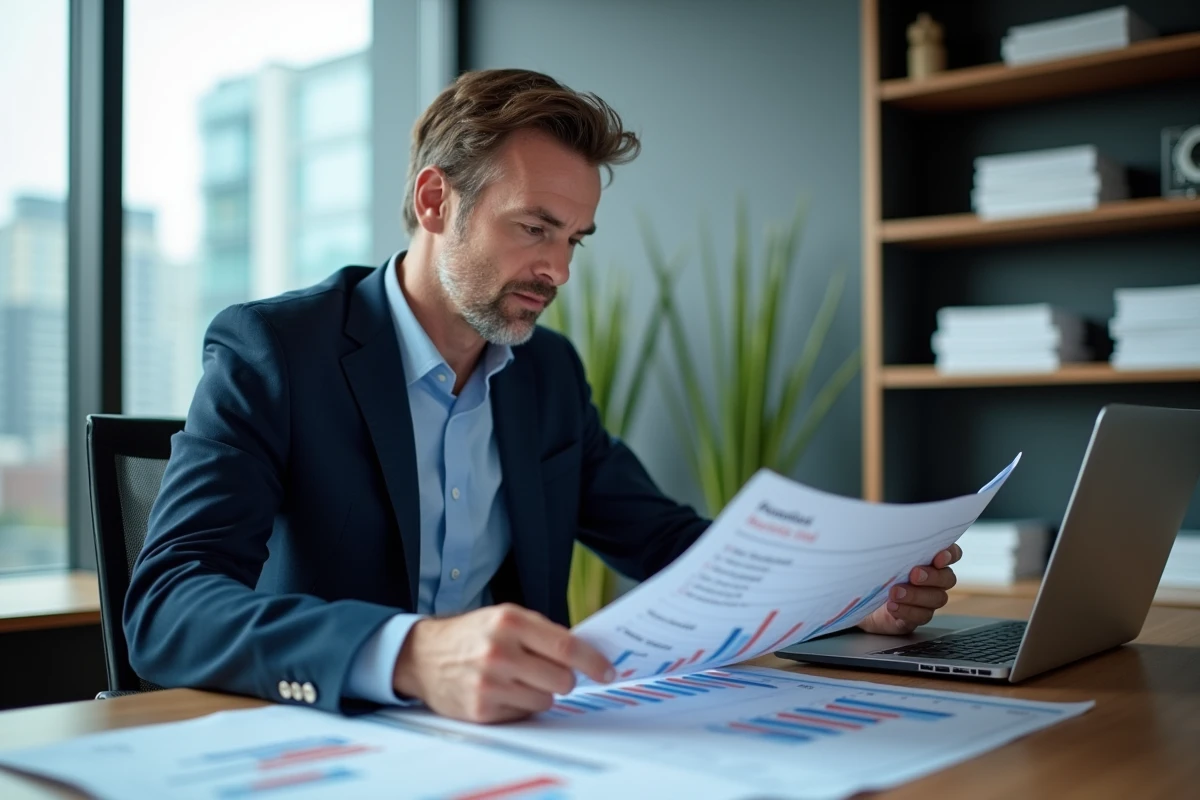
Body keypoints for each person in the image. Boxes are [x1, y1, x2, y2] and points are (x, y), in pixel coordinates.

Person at [126, 68, 962, 724]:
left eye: (574, 240)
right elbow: (168, 605)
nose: (558, 271)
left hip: (511, 748)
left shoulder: (546, 372)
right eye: (534, 228)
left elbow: (665, 542)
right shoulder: (275, 351)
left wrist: (845, 603)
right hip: (328, 743)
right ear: (434, 200)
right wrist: (409, 654)